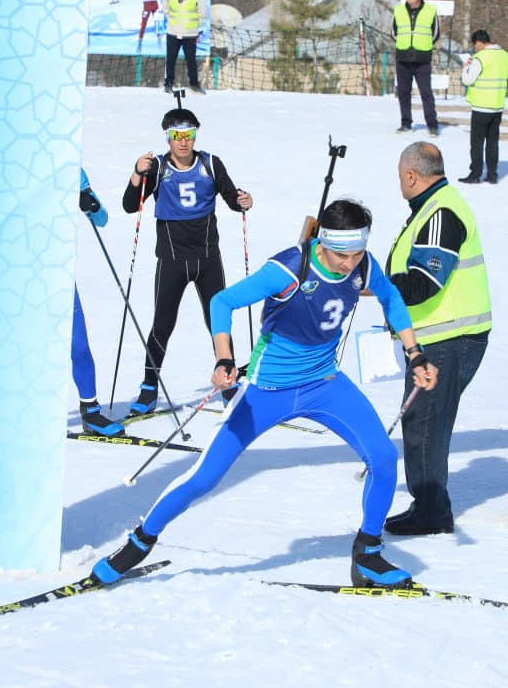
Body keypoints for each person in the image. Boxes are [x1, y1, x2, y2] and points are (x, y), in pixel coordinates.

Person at [91, 200, 440, 588]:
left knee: (384, 456)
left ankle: (368, 555)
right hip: (266, 390)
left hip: (323, 384)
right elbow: (222, 301)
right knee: (204, 478)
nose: (351, 263)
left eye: (358, 253)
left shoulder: (364, 265)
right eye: (343, 255)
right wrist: (225, 358)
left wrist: (415, 352)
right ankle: (139, 543)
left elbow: (391, 297)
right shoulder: (289, 269)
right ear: (322, 242)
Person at [383, 142, 492, 535]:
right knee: (424, 418)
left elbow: (425, 282)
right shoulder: (433, 207)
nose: (400, 183)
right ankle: (428, 504)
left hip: (450, 337)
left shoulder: (441, 212)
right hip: (442, 335)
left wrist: (378, 286)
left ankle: (431, 512)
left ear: (411, 175)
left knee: (425, 421)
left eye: (400, 177)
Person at [122, 108, 253, 415]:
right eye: (176, 136)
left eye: (189, 135)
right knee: (163, 324)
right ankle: (149, 388)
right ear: (168, 137)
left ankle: (229, 384)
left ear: (196, 133)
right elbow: (130, 206)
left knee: (217, 323)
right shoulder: (158, 167)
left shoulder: (210, 162)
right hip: (171, 260)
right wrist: (138, 173)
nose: (183, 142)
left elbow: (232, 198)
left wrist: (244, 201)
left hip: (208, 259)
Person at [75, 170, 125, 436]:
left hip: (55, 274)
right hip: (10, 274)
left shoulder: (68, 164)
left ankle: (91, 413)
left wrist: (88, 202)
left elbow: (102, 219)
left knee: (78, 344)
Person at [459, 30, 508, 185]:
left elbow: (468, 80)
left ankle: (475, 174)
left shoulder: (480, 58)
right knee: (492, 142)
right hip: (497, 106)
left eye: (475, 45)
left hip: (481, 106)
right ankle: (492, 174)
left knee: (477, 143)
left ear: (478, 42)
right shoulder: (505, 56)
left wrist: (465, 67)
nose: (475, 48)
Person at [392, 0, 441, 137]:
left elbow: (436, 34)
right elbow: (393, 32)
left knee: (426, 93)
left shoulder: (430, 11)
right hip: (403, 58)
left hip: (422, 59)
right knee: (403, 92)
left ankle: (432, 125)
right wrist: (404, 45)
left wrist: (423, 46)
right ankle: (406, 123)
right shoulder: (398, 10)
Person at [162, 0, 208, 94]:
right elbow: (166, 10)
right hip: (173, 32)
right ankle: (168, 84)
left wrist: (193, 26)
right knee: (170, 60)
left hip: (190, 34)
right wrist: (174, 24)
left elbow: (202, 14)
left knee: (191, 60)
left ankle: (194, 84)